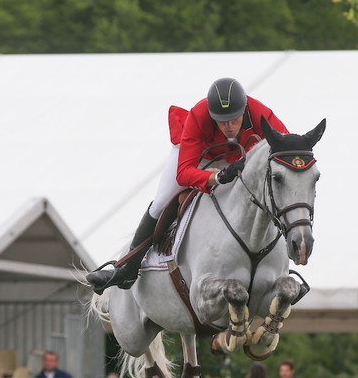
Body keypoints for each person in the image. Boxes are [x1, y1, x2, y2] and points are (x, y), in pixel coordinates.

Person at [86, 77, 288, 294]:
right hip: (198, 156)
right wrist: (217, 177)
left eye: (234, 119)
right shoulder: (199, 115)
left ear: (245, 109)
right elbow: (183, 173)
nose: (228, 126)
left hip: (236, 158)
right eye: (221, 121)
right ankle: (127, 269)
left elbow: (286, 148)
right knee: (162, 201)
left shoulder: (260, 113)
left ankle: (284, 260)